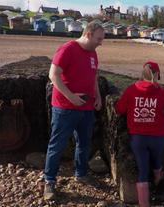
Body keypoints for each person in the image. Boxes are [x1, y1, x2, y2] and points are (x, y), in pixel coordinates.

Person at [43, 21, 105, 201]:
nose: (101, 42)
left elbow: (94, 77)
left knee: (84, 143)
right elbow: (53, 75)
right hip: (65, 108)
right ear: (88, 34)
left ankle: (81, 173)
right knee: (57, 145)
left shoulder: (93, 53)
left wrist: (98, 96)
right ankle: (49, 181)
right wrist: (70, 97)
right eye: (99, 38)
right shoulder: (67, 49)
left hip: (86, 108)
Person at [115, 61, 164, 207]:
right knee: (157, 161)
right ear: (157, 75)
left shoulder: (131, 90)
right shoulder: (162, 92)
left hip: (138, 139)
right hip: (158, 138)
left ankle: (144, 204)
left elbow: (119, 109)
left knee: (142, 170)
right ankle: (158, 177)